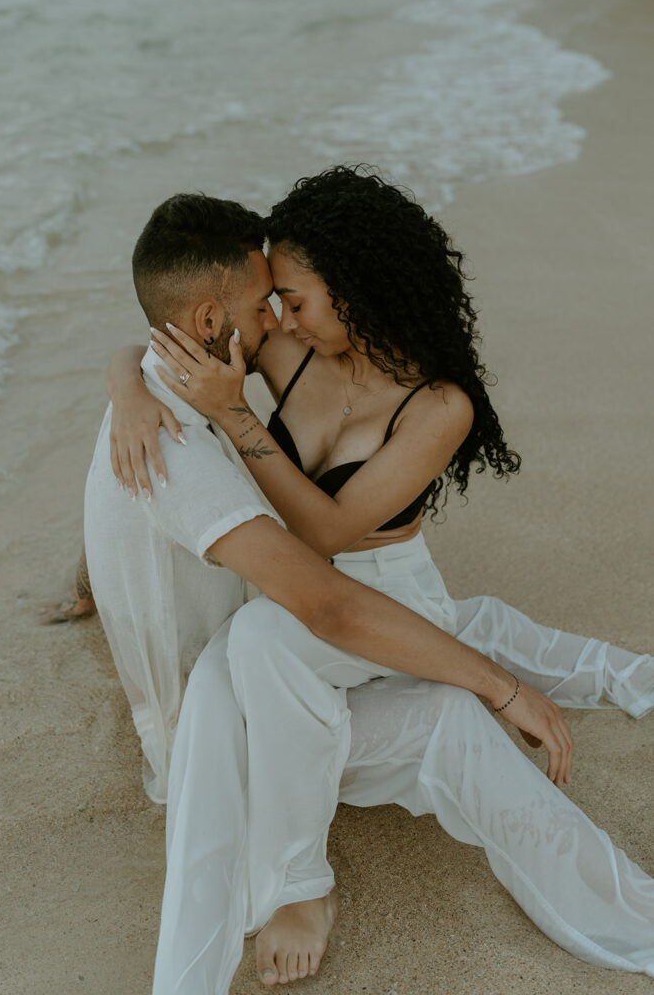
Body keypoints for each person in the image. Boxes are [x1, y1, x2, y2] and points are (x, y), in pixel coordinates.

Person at [86, 177, 653, 991]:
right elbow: (163, 334)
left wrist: (240, 422)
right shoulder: (292, 351)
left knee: (260, 642)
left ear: (354, 294)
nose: (278, 319)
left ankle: (297, 885)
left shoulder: (437, 408)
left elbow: (323, 532)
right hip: (296, 598)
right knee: (220, 693)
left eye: (294, 299)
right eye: (271, 302)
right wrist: (127, 389)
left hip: (383, 596)